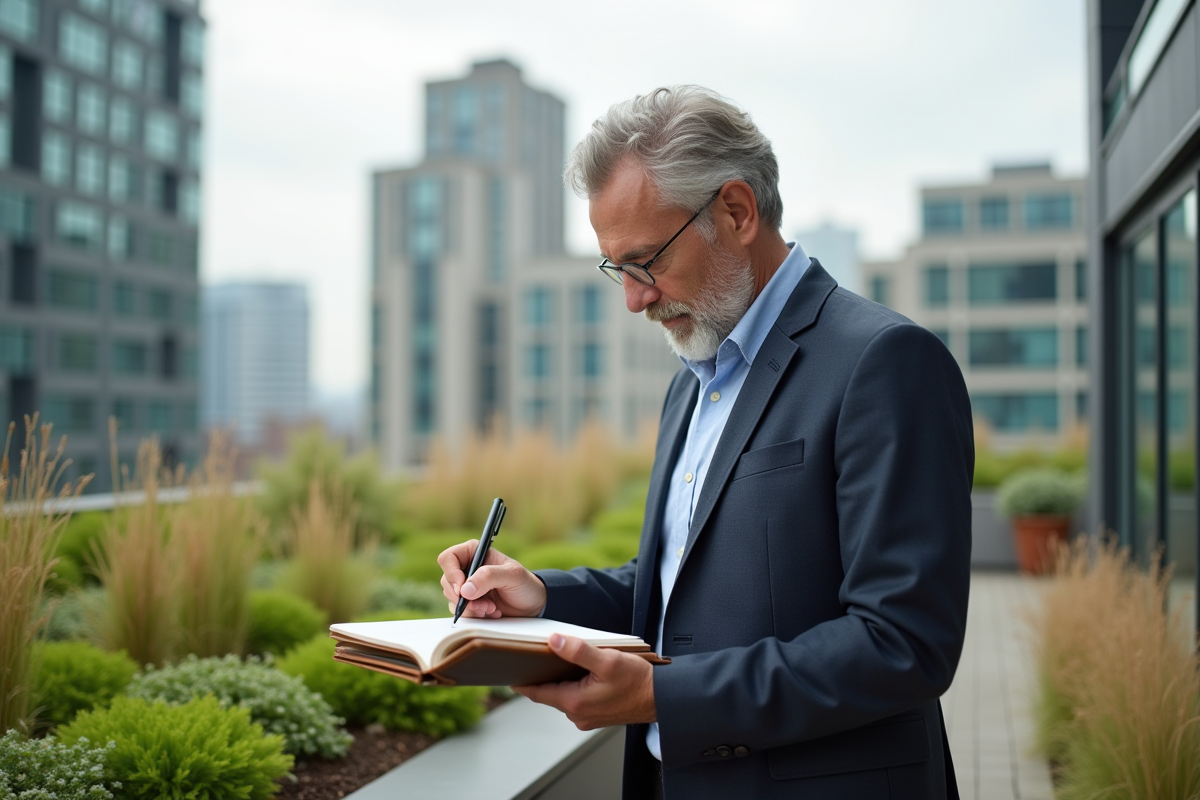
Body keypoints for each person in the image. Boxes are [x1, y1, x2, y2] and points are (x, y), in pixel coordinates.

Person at [439, 85, 973, 799]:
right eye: (616, 269)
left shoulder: (884, 362)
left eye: (645, 260)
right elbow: (680, 590)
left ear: (736, 211)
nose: (634, 297)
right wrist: (540, 597)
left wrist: (665, 696)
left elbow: (904, 642)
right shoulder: (694, 376)